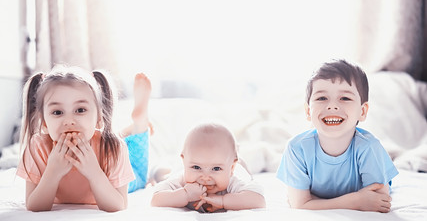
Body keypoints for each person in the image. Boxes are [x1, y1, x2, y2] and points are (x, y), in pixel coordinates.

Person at [16, 65, 150, 212]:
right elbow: (34, 205)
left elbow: (119, 205)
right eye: (57, 112)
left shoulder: (114, 148)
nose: (69, 121)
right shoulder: (37, 147)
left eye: (80, 110)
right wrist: (53, 172)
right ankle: (132, 128)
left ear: (99, 118)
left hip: (113, 178)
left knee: (140, 176)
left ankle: (139, 125)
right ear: (44, 123)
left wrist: (94, 172)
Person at [276, 59, 399, 213]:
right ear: (308, 111)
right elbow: (299, 205)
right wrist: (356, 201)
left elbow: (379, 201)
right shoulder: (296, 148)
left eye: (345, 98)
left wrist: (313, 200)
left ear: (362, 111)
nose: (332, 105)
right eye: (322, 98)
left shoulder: (369, 147)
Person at [151, 123, 266, 213]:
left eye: (216, 168)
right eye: (196, 167)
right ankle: (158, 170)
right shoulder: (182, 181)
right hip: (177, 169)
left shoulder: (233, 181)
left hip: (238, 167)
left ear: (231, 168)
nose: (205, 177)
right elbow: (156, 200)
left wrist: (223, 201)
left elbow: (258, 200)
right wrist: (185, 194)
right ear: (184, 162)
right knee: (163, 175)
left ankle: (240, 160)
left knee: (246, 171)